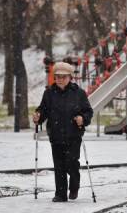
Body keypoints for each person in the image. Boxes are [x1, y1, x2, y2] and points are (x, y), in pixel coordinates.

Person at [32, 61, 93, 202]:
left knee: (72, 163)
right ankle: (60, 194)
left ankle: (74, 186)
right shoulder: (49, 93)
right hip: (56, 135)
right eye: (57, 76)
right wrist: (38, 116)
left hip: (73, 135)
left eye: (63, 77)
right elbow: (43, 110)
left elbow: (88, 111)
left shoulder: (79, 93)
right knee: (59, 166)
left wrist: (82, 118)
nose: (59, 79)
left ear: (70, 77)